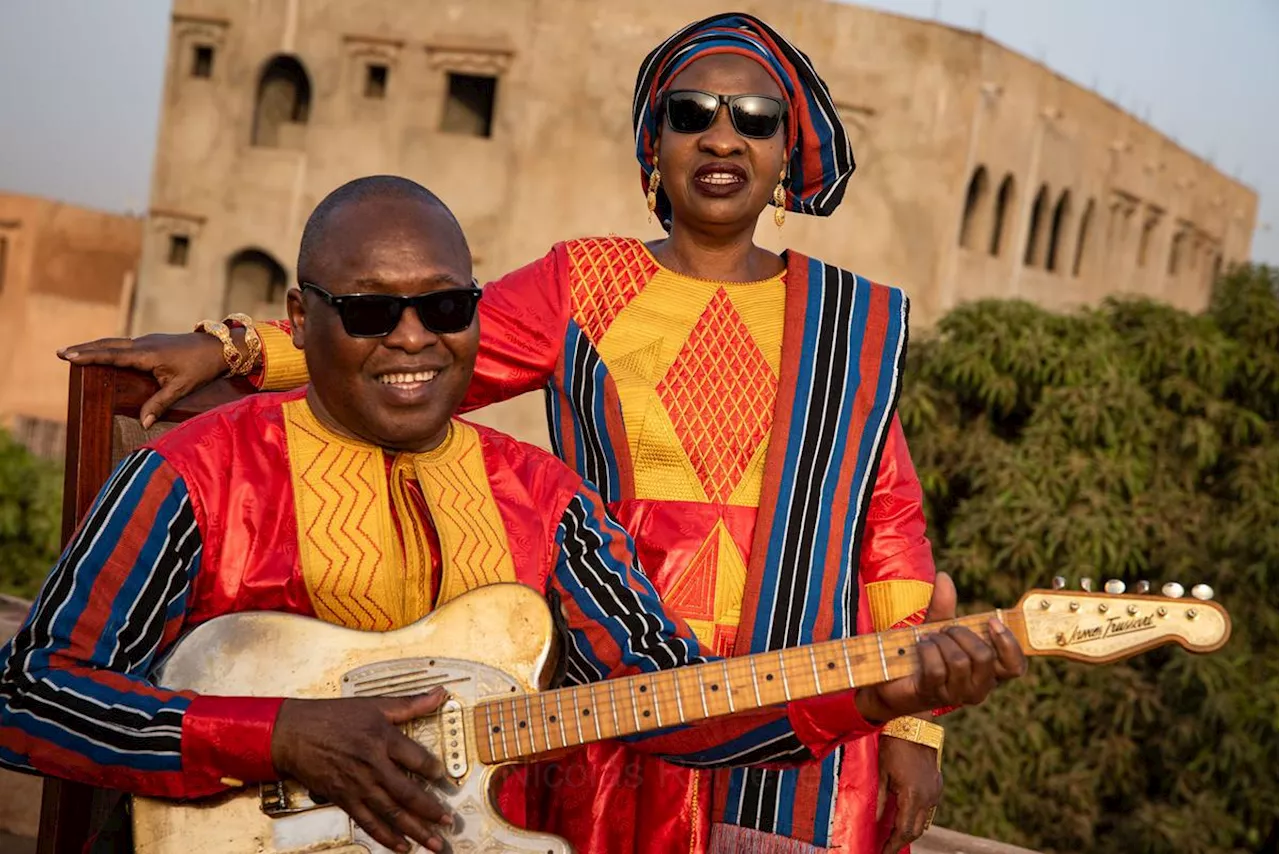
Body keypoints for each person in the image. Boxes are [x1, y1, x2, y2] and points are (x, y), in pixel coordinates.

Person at [57, 14, 986, 854]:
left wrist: (906, 719)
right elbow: (417, 349)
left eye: (754, 118)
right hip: (595, 686)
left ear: (788, 151)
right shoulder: (581, 283)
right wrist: (240, 347)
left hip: (777, 697)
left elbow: (891, 525)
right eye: (693, 111)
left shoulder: (846, 321)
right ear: (651, 143)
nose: (723, 136)